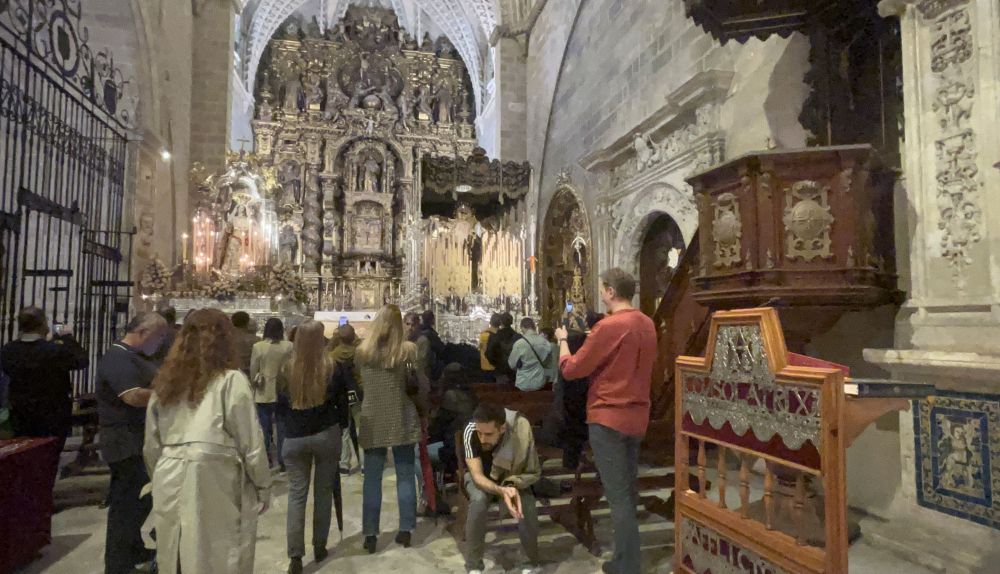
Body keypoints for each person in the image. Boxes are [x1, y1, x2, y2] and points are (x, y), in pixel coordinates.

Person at [144, 309, 272, 574]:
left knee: (175, 549)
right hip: (213, 471)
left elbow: (152, 442)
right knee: (216, 552)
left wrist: (158, 474)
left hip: (169, 467)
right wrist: (262, 484)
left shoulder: (166, 381)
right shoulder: (231, 379)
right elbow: (250, 440)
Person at [555, 268, 656, 574]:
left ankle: (628, 566)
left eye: (602, 289)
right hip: (638, 414)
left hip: (608, 415)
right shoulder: (647, 323)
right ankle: (625, 559)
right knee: (627, 490)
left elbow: (572, 369)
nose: (600, 293)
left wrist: (562, 341)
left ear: (611, 291)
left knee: (618, 496)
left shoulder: (609, 326)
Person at [96, 312, 168, 574]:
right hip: (124, 441)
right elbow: (133, 396)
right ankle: (118, 565)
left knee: (138, 501)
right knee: (128, 505)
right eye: (159, 336)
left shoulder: (136, 356)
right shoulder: (118, 357)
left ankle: (133, 549)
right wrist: (170, 393)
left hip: (137, 439)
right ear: (143, 332)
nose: (161, 341)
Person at [278, 320, 347, 574]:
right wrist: (341, 427)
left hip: (295, 437)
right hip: (325, 433)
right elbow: (342, 404)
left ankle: (295, 556)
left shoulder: (286, 368)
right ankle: (319, 546)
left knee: (296, 496)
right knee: (323, 492)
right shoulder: (332, 367)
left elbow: (280, 406)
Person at [356, 304, 422, 554]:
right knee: (405, 474)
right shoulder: (407, 350)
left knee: (372, 479)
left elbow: (360, 380)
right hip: (400, 414)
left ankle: (370, 534)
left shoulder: (362, 352)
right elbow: (416, 382)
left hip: (373, 416)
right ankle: (406, 530)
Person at [0, 307, 88, 463]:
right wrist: (67, 337)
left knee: (24, 455)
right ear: (43, 325)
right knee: (48, 458)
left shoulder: (8, 351)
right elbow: (81, 360)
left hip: (21, 412)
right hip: (52, 414)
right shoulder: (54, 351)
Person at [462, 404, 541, 574]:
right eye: (479, 433)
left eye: (489, 434)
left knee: (526, 503)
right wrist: (500, 491)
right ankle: (474, 565)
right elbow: (476, 475)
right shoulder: (470, 430)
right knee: (478, 501)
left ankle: (529, 561)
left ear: (503, 428)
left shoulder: (519, 429)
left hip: (511, 477)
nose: (482, 439)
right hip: (482, 478)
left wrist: (510, 486)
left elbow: (530, 470)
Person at [250, 318, 294, 471]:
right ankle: (283, 461)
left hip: (263, 392)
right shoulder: (288, 346)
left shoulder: (258, 347)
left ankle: (266, 459)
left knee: (264, 428)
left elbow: (253, 370)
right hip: (282, 390)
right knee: (282, 427)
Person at [427, 362, 478, 476]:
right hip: (471, 447)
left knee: (419, 453)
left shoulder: (449, 396)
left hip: (453, 450)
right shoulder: (472, 396)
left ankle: (435, 488)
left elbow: (438, 428)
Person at [328, 324, 363, 474]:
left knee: (344, 427)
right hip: (357, 392)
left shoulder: (332, 355)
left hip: (340, 395)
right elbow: (361, 374)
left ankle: (344, 462)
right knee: (360, 427)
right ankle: (364, 463)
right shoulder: (359, 353)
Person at [507, 318, 552, 392]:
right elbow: (548, 363)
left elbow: (512, 364)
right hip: (540, 382)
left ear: (523, 327)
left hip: (523, 382)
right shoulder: (545, 342)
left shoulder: (519, 343)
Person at [485, 312, 520, 384]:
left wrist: (496, 364)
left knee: (501, 392)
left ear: (501, 322)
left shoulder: (495, 336)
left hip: (500, 370)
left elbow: (489, 353)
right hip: (515, 371)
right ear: (512, 322)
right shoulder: (518, 337)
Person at [419, 310, 446, 381]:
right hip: (430, 364)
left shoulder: (419, 331)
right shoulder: (430, 333)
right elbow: (440, 348)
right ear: (431, 319)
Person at [231, 311, 260, 376]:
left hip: (232, 376)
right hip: (250, 376)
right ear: (247, 323)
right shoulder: (257, 340)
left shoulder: (226, 339)